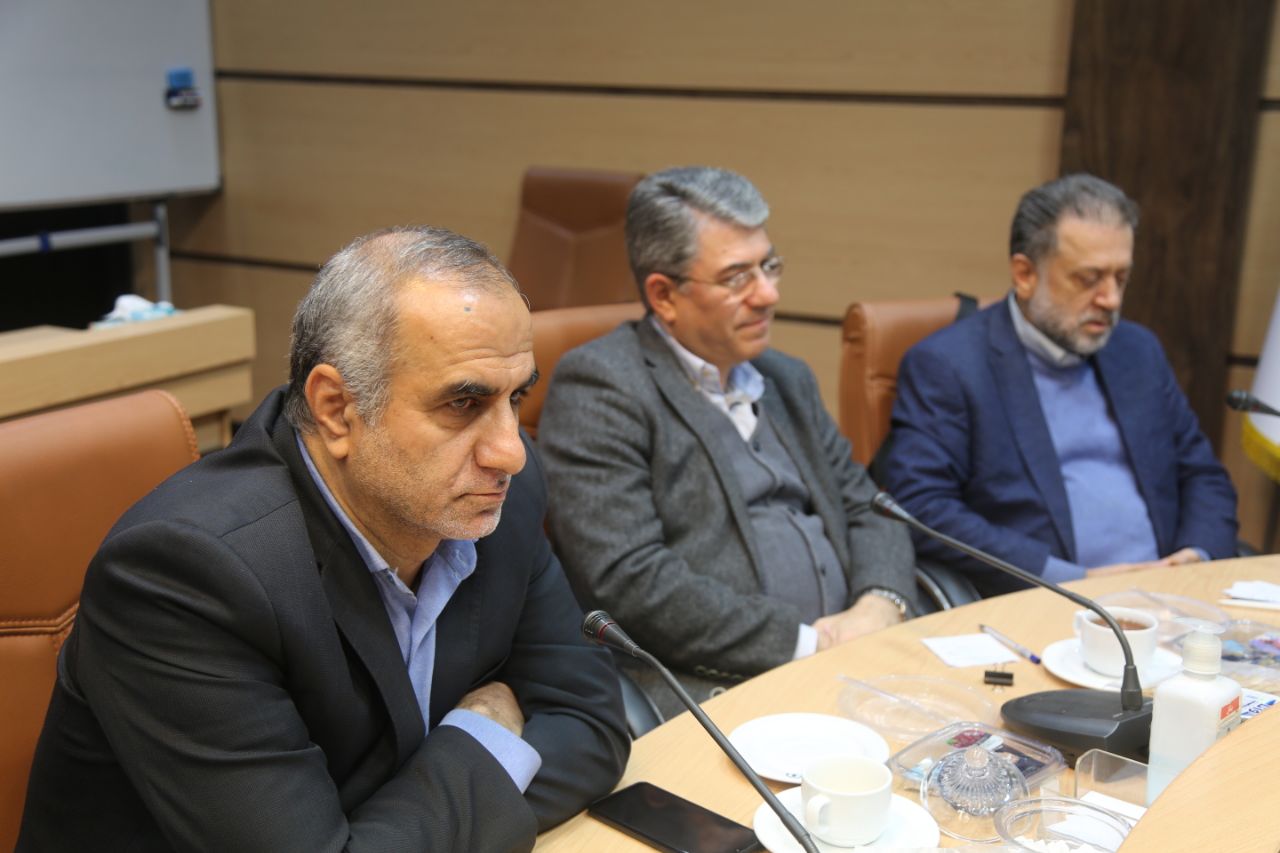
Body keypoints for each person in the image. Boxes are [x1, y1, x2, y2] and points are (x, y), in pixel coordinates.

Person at [18, 227, 629, 852]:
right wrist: (483, 733)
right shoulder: (185, 575)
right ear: (336, 409)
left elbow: (591, 726)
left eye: (516, 396)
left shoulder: (494, 499)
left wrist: (394, 824)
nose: (510, 452)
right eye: (464, 403)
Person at [538, 166, 918, 719]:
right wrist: (810, 644)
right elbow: (629, 579)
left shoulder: (785, 377)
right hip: (717, 686)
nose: (769, 294)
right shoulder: (602, 385)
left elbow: (869, 507)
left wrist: (881, 602)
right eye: (737, 277)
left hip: (856, 662)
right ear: (664, 295)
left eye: (769, 266)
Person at [882, 174, 1238, 597]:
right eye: (1089, 279)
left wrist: (1197, 556)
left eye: (1121, 278)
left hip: (1171, 597)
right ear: (1025, 274)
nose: (1111, 299)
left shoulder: (1138, 351)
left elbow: (1202, 474)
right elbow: (922, 508)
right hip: (1047, 602)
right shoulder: (950, 366)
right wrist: (1069, 580)